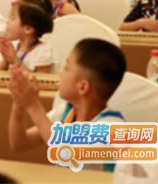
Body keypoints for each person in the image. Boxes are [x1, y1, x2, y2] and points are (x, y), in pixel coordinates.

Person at [8, 39, 126, 172]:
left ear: (82, 87)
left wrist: (33, 105)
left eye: (66, 68)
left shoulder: (111, 128)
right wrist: (18, 104)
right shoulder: (67, 113)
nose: (60, 74)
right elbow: (20, 144)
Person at [0, 0, 55, 73]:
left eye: (12, 18)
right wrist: (5, 60)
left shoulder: (43, 52)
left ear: (28, 29)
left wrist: (15, 60)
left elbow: (40, 79)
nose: (7, 22)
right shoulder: (14, 46)